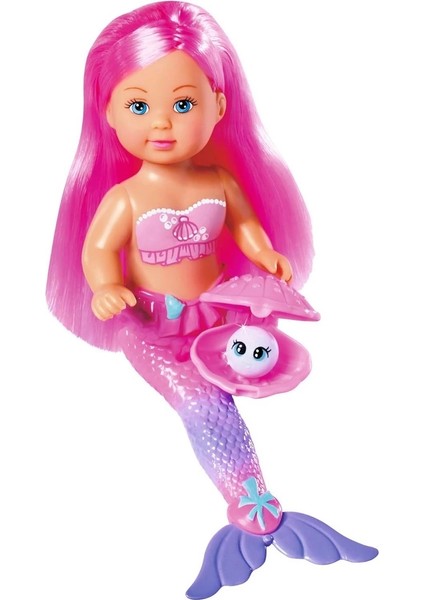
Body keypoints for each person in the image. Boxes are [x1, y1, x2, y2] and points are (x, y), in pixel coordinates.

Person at [46, 3, 377, 596]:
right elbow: (98, 250)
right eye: (139, 106)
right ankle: (253, 504)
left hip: (218, 313)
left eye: (183, 104)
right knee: (201, 404)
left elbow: (245, 226)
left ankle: (257, 503)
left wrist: (264, 252)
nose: (162, 122)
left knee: (254, 374)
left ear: (218, 106)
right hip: (150, 325)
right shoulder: (124, 198)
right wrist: (106, 286)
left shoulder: (219, 183)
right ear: (109, 113)